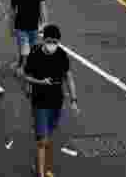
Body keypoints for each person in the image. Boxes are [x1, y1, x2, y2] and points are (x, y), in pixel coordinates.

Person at [23, 25, 78, 177]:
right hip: (39, 102)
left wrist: (73, 100)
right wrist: (40, 82)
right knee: (43, 140)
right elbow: (26, 76)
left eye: (55, 42)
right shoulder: (35, 55)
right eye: (49, 41)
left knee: (47, 138)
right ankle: (41, 173)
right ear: (43, 40)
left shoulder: (61, 55)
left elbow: (69, 77)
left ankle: (39, 164)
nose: (52, 44)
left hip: (56, 102)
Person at [10, 0, 47, 74]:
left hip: (34, 26)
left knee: (30, 48)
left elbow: (43, 7)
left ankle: (20, 63)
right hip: (20, 26)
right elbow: (13, 10)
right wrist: (11, 27)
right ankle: (24, 69)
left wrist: (44, 23)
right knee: (25, 49)